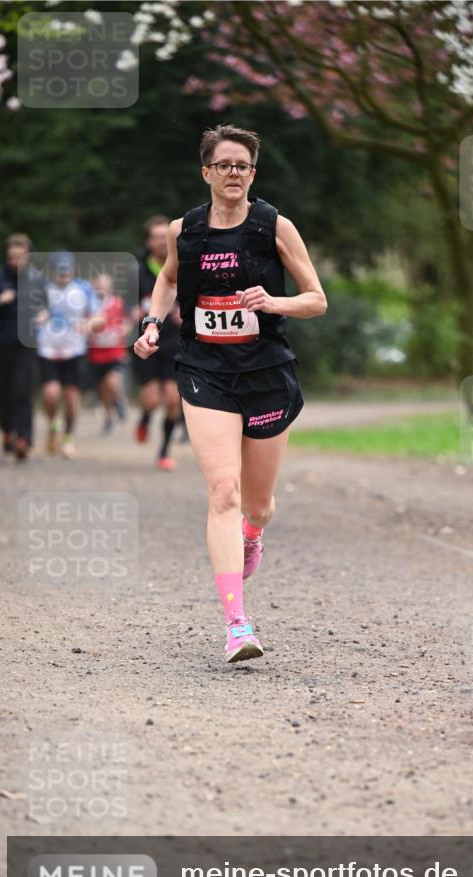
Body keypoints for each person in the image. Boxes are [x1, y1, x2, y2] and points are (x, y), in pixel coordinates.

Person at [134, 124, 326, 662]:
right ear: (207, 173)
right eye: (224, 165)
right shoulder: (185, 230)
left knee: (258, 506)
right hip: (204, 370)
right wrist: (153, 322)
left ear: (253, 174)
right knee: (223, 490)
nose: (234, 173)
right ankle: (237, 625)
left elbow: (316, 299)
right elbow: (170, 279)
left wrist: (274, 303)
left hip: (265, 372)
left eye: (243, 166)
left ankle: (251, 534)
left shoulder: (274, 226)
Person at [132, 215, 183, 470]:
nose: (162, 242)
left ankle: (164, 450)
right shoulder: (138, 272)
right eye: (156, 237)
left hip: (175, 343)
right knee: (152, 401)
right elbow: (121, 305)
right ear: (148, 241)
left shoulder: (183, 268)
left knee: (173, 400)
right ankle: (144, 417)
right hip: (145, 343)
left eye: (166, 237)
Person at [0, 234, 43, 461]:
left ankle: (24, 439)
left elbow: (47, 305)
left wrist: (44, 315)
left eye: (20, 257)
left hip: (26, 345)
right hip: (0, 344)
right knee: (5, 394)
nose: (15, 261)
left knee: (22, 391)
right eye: (12, 257)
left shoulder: (37, 280)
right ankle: (8, 431)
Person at [37, 251, 94, 459]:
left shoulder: (84, 289)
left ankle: (68, 438)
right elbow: (32, 312)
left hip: (75, 350)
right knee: (51, 395)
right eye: (59, 271)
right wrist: (40, 316)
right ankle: (53, 425)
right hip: (49, 349)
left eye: (66, 270)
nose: (63, 275)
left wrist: (90, 323)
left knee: (71, 400)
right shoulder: (43, 289)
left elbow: (98, 315)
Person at [88, 272, 128, 434]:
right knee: (103, 389)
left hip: (114, 350)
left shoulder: (117, 303)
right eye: (98, 285)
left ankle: (119, 401)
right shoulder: (89, 305)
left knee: (112, 382)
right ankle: (108, 418)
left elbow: (126, 321)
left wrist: (125, 328)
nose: (101, 288)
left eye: (105, 285)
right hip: (96, 352)